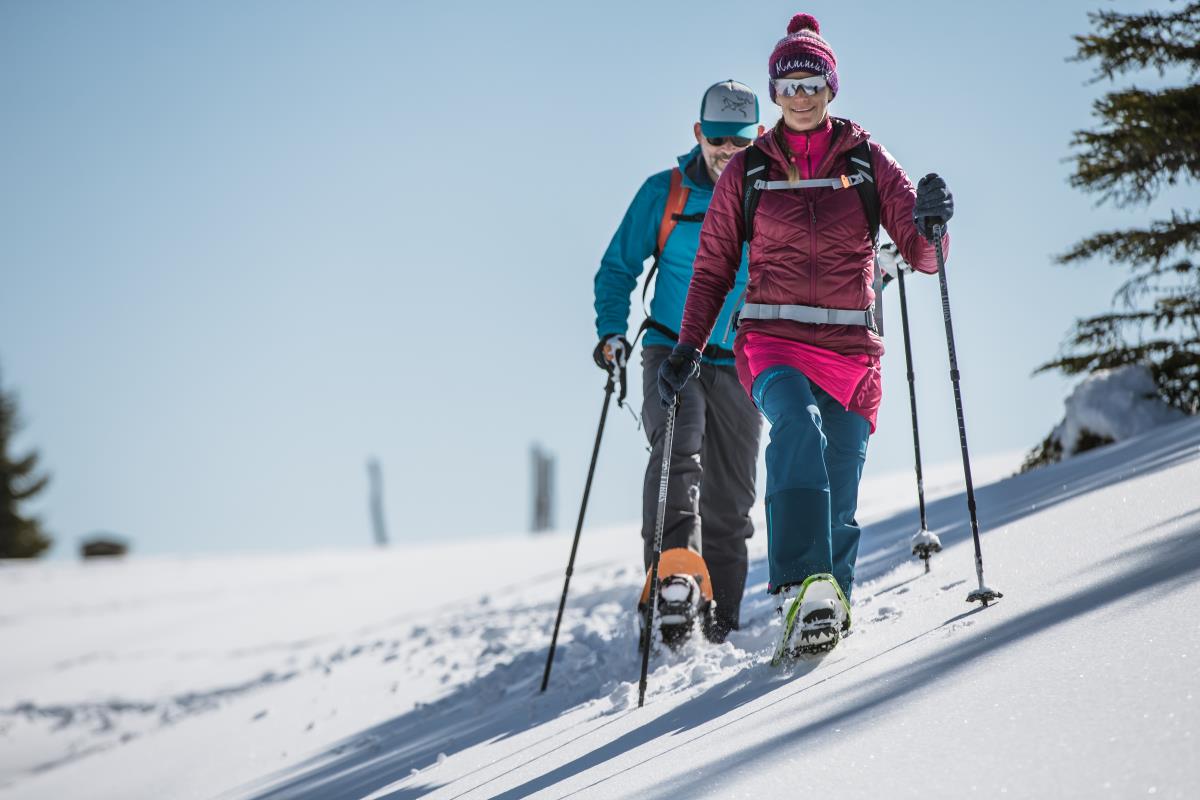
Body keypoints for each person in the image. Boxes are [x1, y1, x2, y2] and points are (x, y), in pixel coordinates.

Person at [657, 13, 955, 658]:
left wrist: (933, 225)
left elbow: (922, 255)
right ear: (774, 93)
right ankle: (800, 584)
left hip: (852, 349)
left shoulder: (871, 161)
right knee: (795, 427)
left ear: (830, 87)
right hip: (772, 340)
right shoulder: (750, 172)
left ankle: (830, 601)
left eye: (811, 80)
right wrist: (686, 347)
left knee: (841, 479)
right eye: (787, 84)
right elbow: (710, 269)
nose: (799, 94)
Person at [593, 80, 764, 644]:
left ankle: (724, 618)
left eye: (740, 143)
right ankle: (670, 581)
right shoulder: (664, 194)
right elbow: (617, 267)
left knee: (732, 495)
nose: (727, 153)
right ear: (699, 133)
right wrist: (611, 334)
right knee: (678, 448)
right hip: (672, 350)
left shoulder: (770, 199)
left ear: (758, 138)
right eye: (718, 140)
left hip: (741, 359)